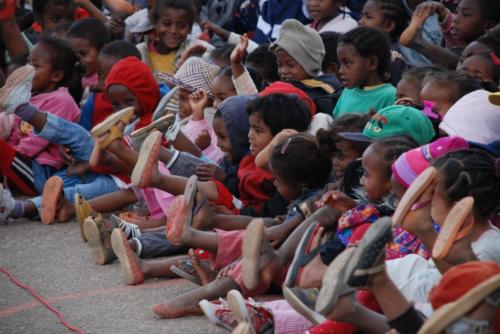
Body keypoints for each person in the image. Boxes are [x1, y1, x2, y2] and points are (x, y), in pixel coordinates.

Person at [0, 36, 80, 198]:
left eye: (35, 65)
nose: (28, 69)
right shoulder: (29, 96)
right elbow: (15, 133)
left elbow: (36, 141)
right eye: (28, 62)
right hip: (19, 161)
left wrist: (8, 157)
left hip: (40, 172)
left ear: (56, 76)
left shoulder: (61, 100)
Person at [332, 27, 396, 118]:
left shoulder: (390, 96)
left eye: (347, 63)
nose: (340, 71)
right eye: (340, 64)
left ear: (372, 63)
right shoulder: (348, 92)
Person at [136, 0, 213, 75]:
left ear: (190, 28)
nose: (174, 31)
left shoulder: (199, 50)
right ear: (155, 23)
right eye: (167, 24)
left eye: (181, 26)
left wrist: (189, 67)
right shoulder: (139, 52)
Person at [66, 17, 110, 99]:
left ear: (102, 51)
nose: (77, 60)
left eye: (83, 54)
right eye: (73, 54)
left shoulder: (105, 82)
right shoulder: (76, 79)